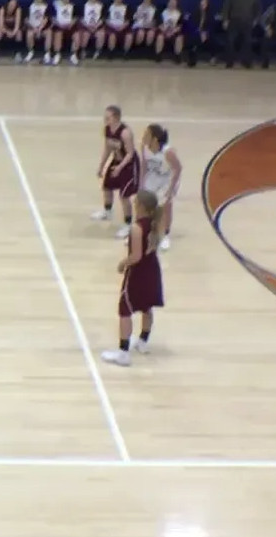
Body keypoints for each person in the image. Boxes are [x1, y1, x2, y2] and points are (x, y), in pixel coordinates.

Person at [100, 189, 164, 367]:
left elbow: (136, 256)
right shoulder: (156, 223)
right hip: (152, 270)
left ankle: (123, 352)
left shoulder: (137, 228)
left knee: (125, 310)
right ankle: (143, 341)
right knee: (147, 306)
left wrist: (122, 263)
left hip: (138, 273)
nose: (134, 206)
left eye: (136, 204)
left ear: (141, 207)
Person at [91, 105, 138, 239]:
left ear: (116, 117)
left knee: (124, 196)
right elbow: (107, 148)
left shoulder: (125, 133)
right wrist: (102, 166)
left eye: (108, 117)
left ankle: (128, 224)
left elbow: (130, 153)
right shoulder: (107, 130)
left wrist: (119, 168)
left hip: (128, 165)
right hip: (116, 161)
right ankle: (107, 211)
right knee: (107, 186)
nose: (105, 119)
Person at [139, 124, 180, 251]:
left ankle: (165, 235)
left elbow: (178, 169)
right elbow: (144, 165)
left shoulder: (168, 152)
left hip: (168, 179)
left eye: (147, 134)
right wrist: (141, 183)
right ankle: (142, 233)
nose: (144, 136)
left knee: (165, 206)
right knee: (145, 205)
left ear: (155, 139)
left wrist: (170, 190)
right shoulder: (144, 147)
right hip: (153, 177)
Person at [220, 0, 261, 68]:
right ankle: (229, 62)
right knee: (230, 40)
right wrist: (225, 19)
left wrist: (256, 20)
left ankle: (247, 62)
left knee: (247, 41)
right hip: (234, 20)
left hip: (247, 21)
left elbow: (258, 8)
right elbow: (226, 7)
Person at [184, 0, 216, 66]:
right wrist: (198, 31)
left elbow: (212, 26)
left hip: (206, 33)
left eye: (204, 4)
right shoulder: (195, 13)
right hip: (196, 32)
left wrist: (206, 33)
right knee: (194, 38)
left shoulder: (210, 14)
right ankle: (192, 59)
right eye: (201, 4)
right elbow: (190, 24)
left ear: (207, 5)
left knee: (210, 39)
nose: (202, 6)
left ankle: (212, 57)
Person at [49, 0, 78, 65]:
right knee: (58, 34)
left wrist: (71, 24)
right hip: (58, 25)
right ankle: (57, 54)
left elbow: (75, 17)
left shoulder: (73, 5)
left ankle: (73, 55)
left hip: (70, 26)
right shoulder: (55, 4)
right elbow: (52, 18)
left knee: (77, 35)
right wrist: (59, 24)